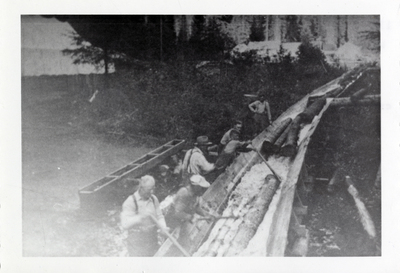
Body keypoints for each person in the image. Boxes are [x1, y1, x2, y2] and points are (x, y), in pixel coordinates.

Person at [120, 175, 169, 256]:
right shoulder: (131, 202)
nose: (152, 192)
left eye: (153, 188)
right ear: (141, 188)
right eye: (149, 190)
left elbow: (159, 216)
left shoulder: (153, 199)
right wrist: (140, 217)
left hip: (151, 238)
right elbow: (124, 224)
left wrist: (163, 227)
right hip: (137, 242)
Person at [165, 175, 218, 249]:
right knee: (177, 243)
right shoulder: (184, 193)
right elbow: (177, 212)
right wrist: (190, 217)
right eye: (201, 188)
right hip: (173, 222)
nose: (202, 190)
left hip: (183, 221)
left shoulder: (195, 195)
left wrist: (206, 215)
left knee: (185, 240)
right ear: (196, 186)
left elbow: (196, 207)